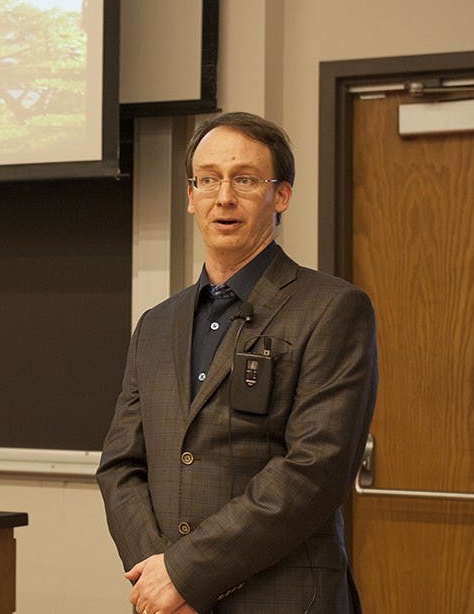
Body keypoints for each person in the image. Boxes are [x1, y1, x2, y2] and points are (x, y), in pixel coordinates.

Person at [96, 112, 377, 614]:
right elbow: (120, 466)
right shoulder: (156, 325)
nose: (223, 196)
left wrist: (185, 573)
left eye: (245, 179)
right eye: (208, 179)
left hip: (285, 600)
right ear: (191, 196)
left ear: (282, 195)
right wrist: (157, 572)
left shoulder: (333, 308)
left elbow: (315, 471)